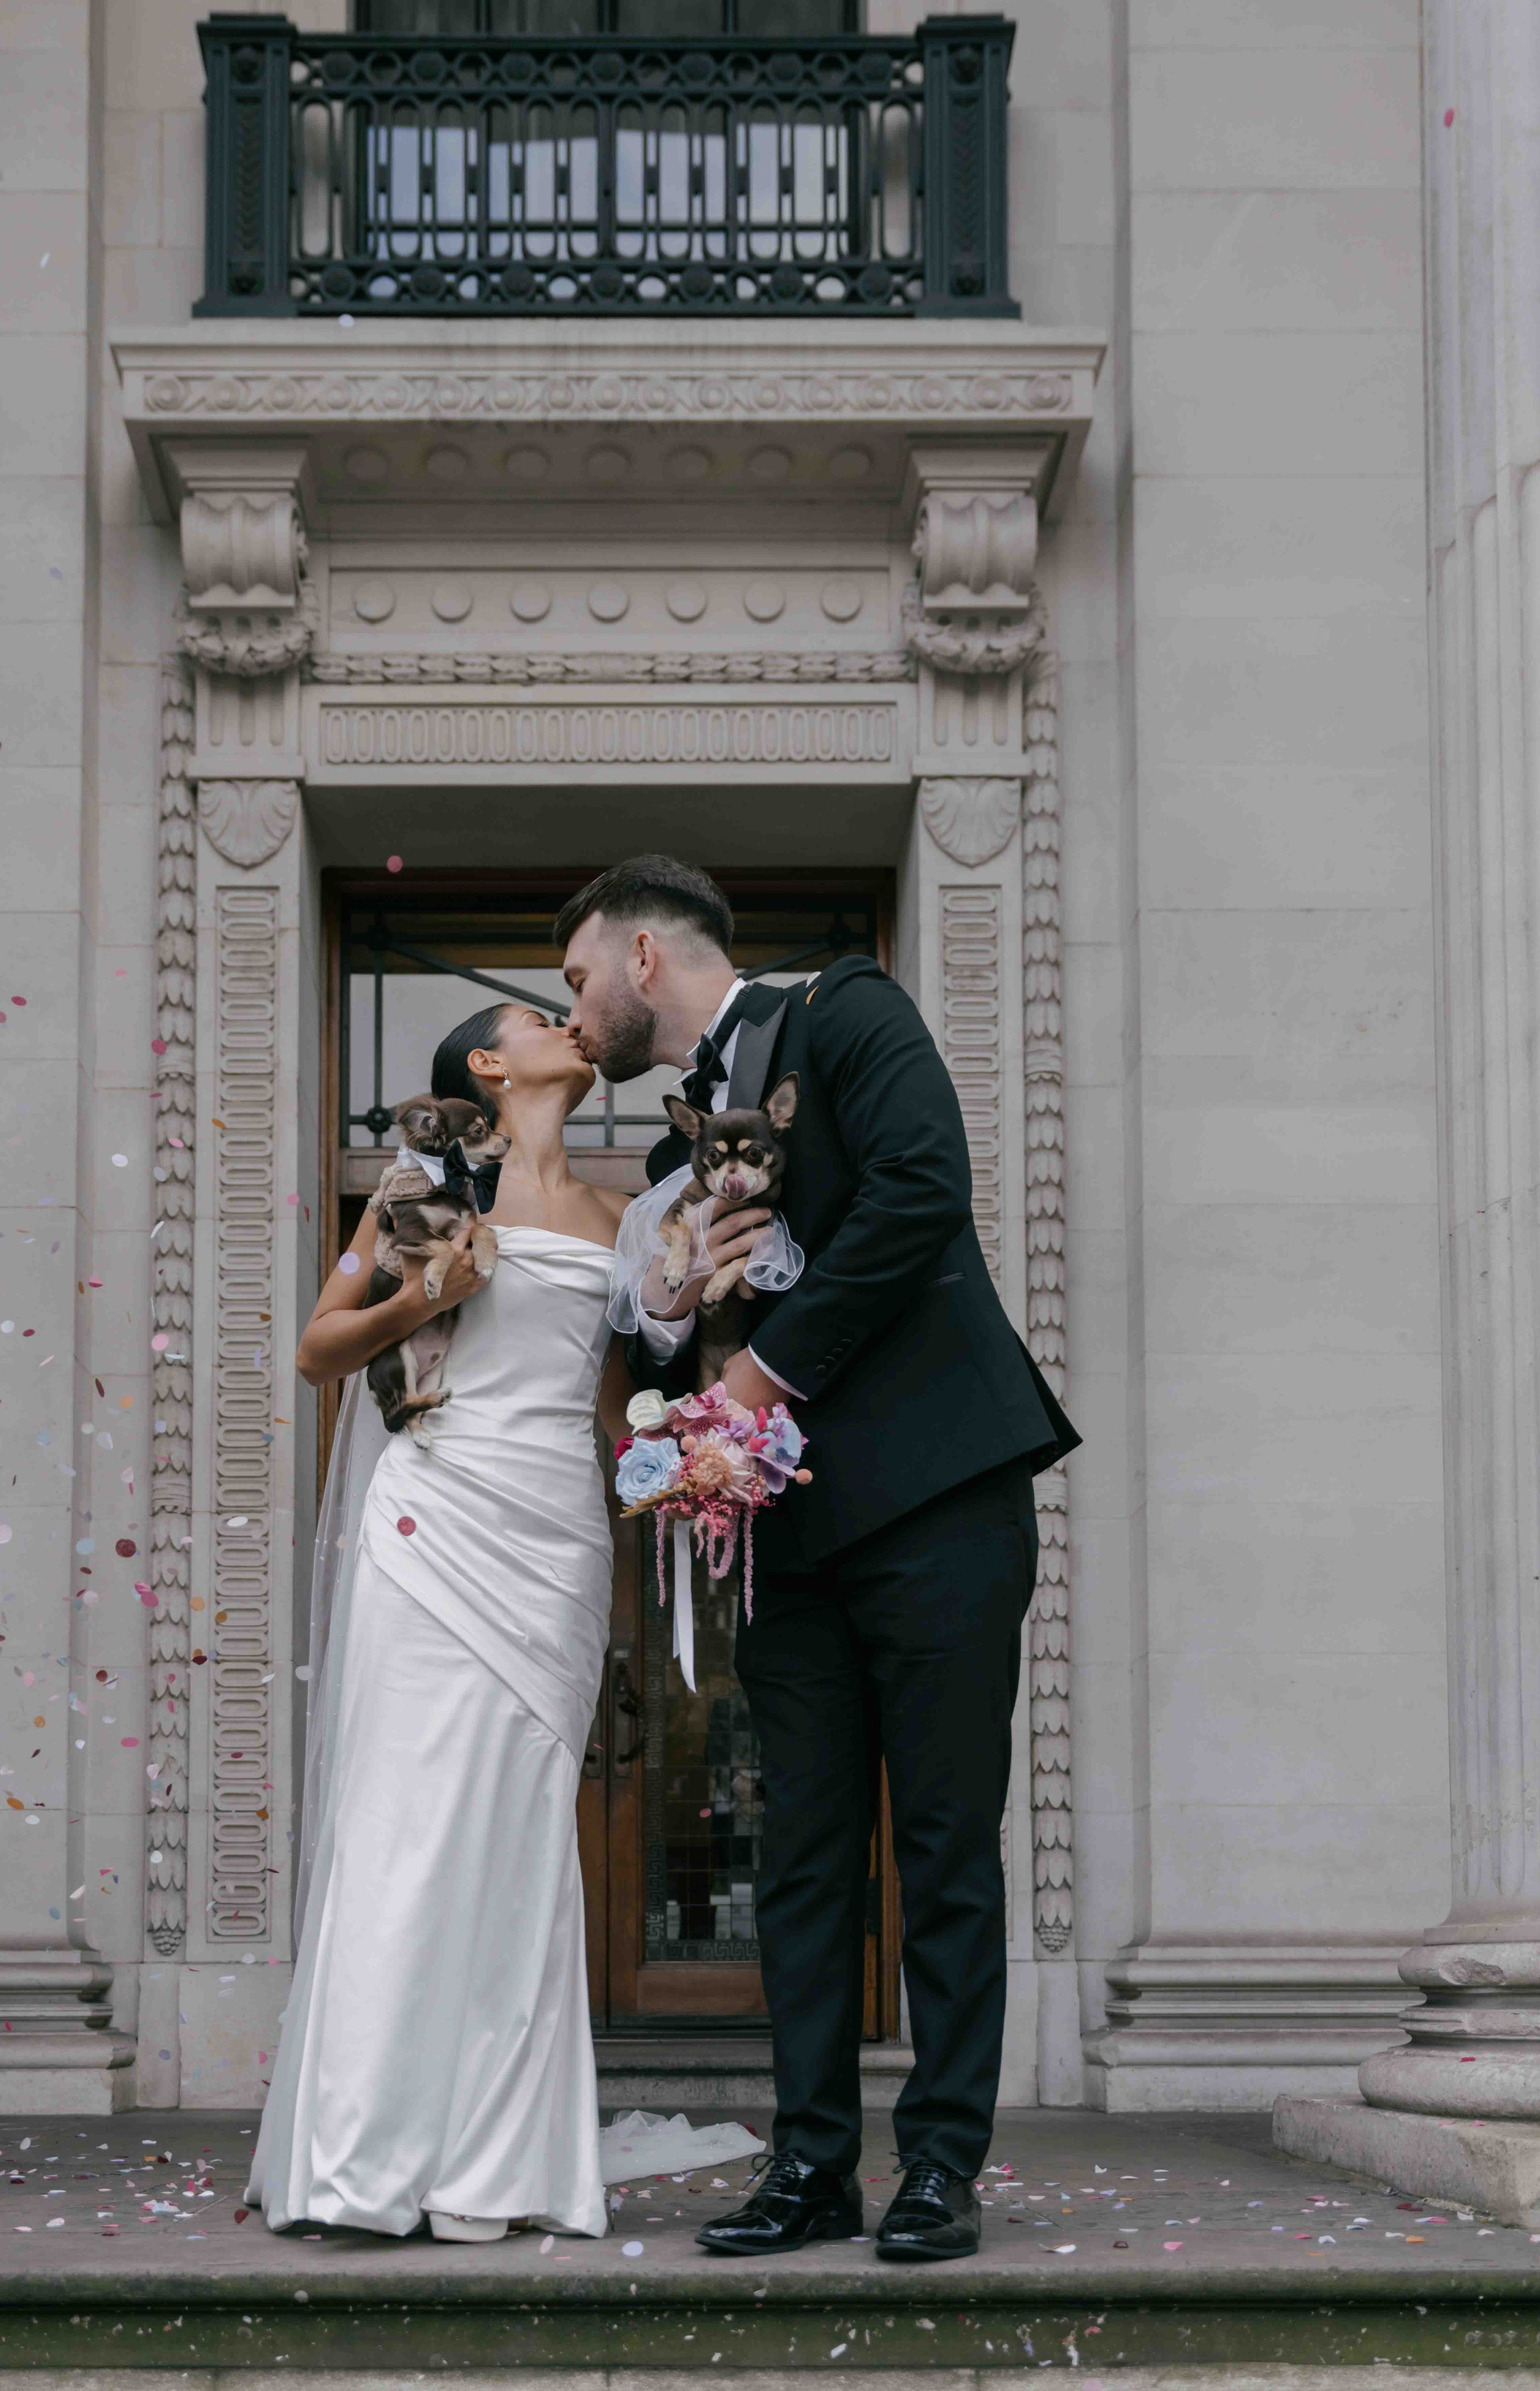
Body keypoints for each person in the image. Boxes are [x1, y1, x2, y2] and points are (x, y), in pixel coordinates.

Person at [559, 856, 1079, 2264]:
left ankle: (942, 2167)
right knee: (797, 1854)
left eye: (579, 977)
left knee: (945, 1844)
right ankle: (808, 2168)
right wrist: (673, 1337)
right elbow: (671, 1349)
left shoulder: (847, 1012)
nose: (575, 1009)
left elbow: (921, 1192)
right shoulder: (675, 1164)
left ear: (647, 957)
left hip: (940, 1503)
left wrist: (765, 1383)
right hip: (784, 1538)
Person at [246, 999, 631, 2242]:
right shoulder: (413, 1192)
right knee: (408, 1827)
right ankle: (362, 2158)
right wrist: (427, 1295)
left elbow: (614, 1408)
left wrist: (694, 1463)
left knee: (520, 1845)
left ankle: (495, 2167)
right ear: (487, 1064)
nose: (572, 1026)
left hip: (558, 1541)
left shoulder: (625, 1221)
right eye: (540, 1017)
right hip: (432, 1522)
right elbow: (318, 1350)